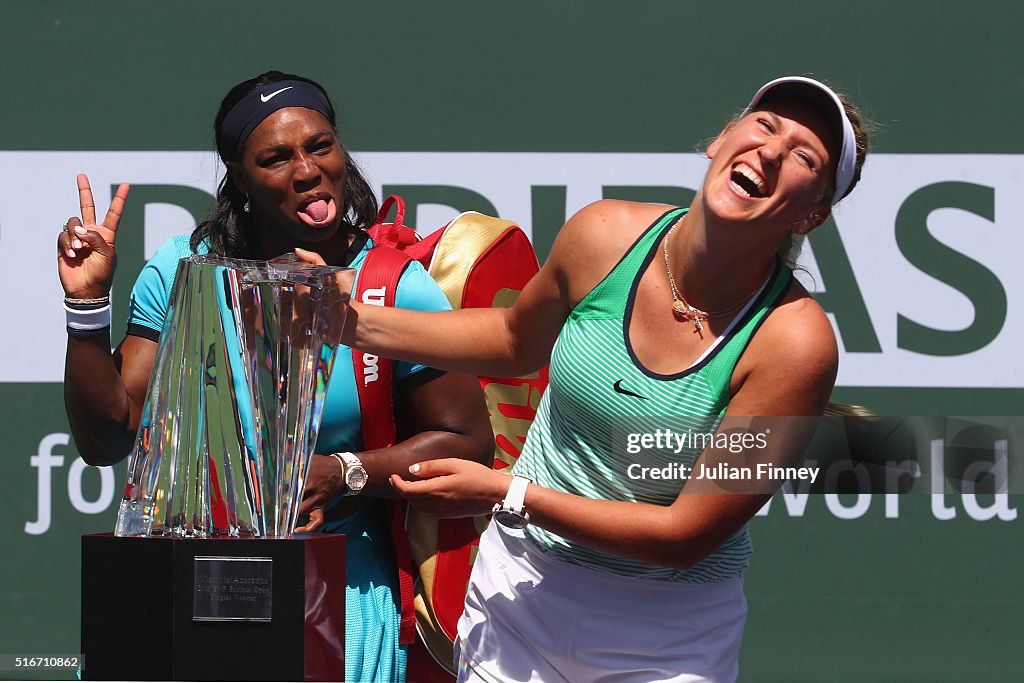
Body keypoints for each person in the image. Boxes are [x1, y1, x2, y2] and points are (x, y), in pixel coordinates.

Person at [310, 75, 870, 682]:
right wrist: (350, 321)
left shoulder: (795, 343)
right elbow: (512, 341)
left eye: (804, 156)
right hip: (520, 594)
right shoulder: (604, 234)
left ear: (813, 215)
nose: (771, 151)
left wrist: (507, 494)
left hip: (666, 637)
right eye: (765, 125)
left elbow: (684, 536)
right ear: (720, 139)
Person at [57, 70, 494, 683]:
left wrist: (343, 472)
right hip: (181, 582)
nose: (307, 170)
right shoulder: (183, 269)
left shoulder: (394, 287)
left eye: (320, 146)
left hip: (333, 592)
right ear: (238, 178)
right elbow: (106, 439)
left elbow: (468, 443)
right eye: (275, 158)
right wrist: (86, 308)